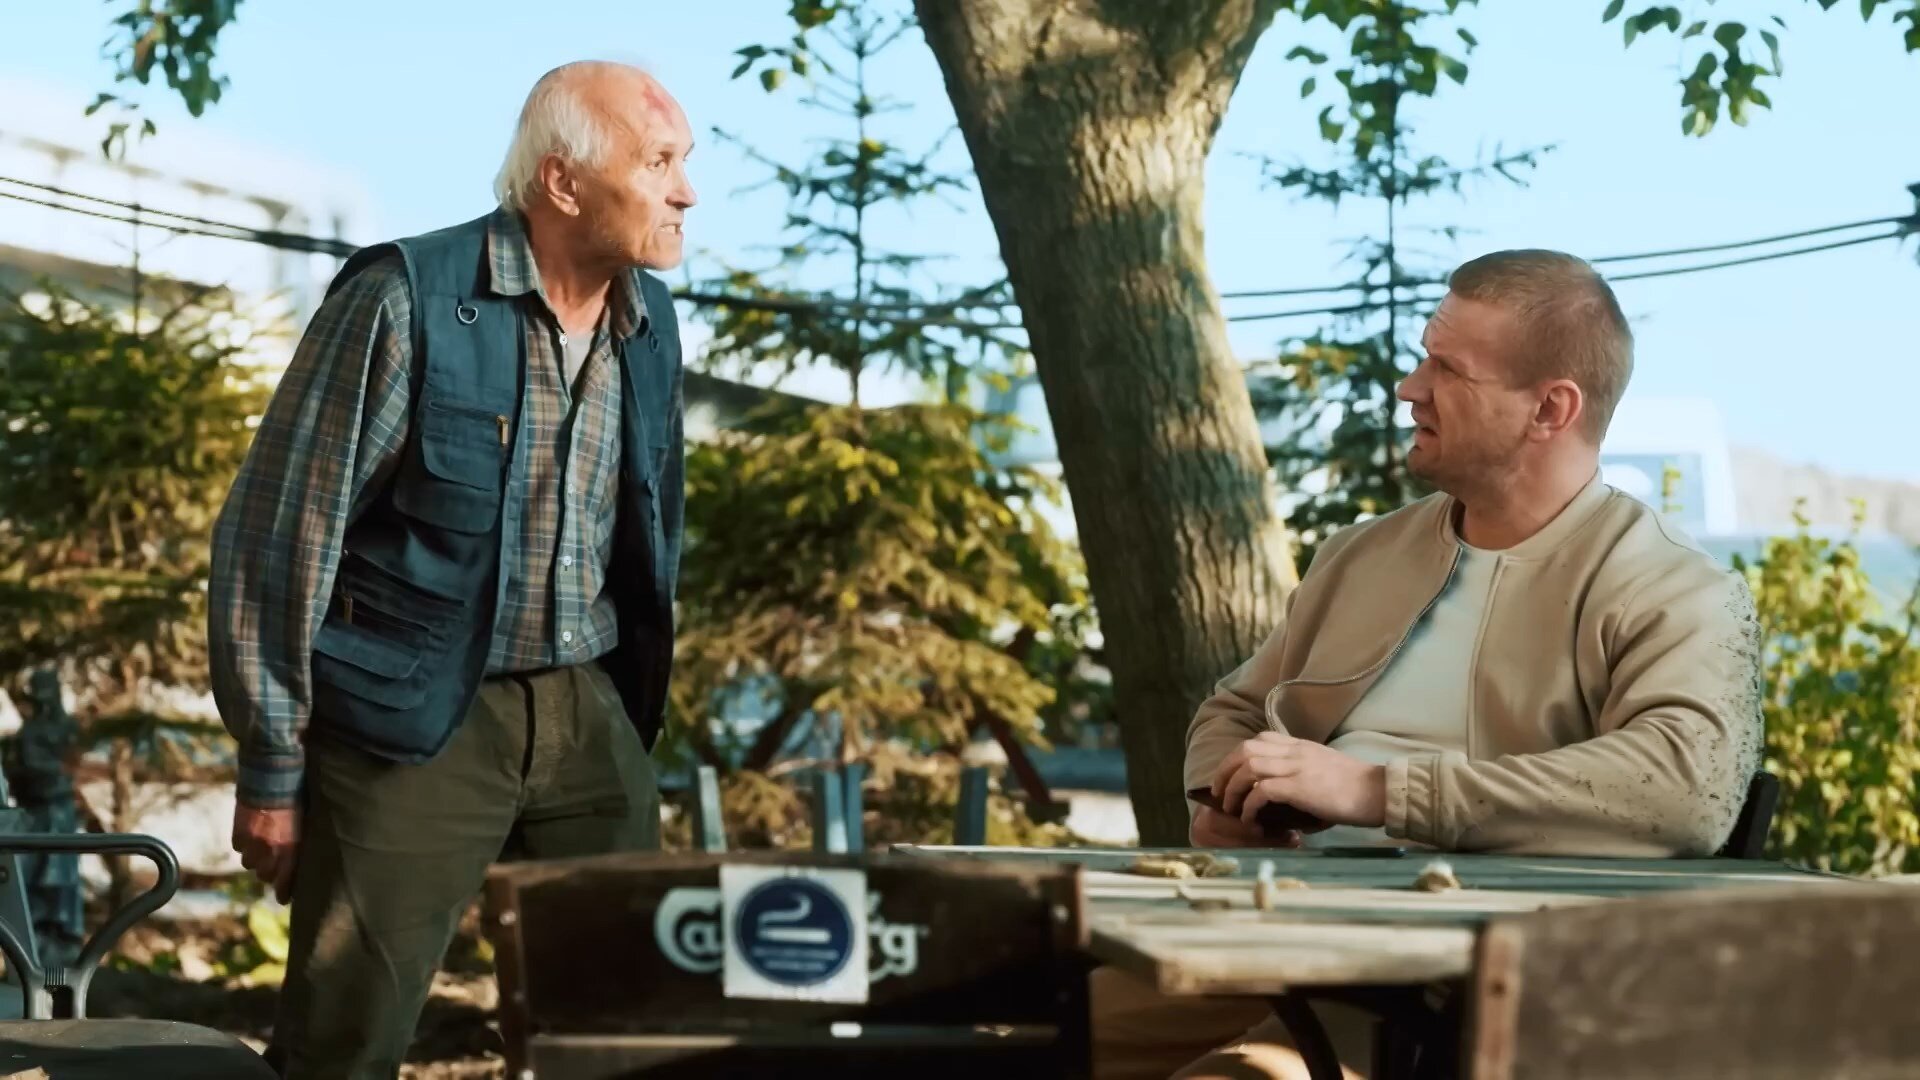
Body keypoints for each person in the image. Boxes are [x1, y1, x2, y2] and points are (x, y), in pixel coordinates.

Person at [1093, 249, 1765, 1080]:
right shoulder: (1361, 556)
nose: (1410, 388)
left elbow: (1687, 790)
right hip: (1278, 930)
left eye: (1447, 369)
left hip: (1474, 993)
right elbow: (1235, 709)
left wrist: (1380, 792)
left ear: (1550, 409)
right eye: (1423, 359)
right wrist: (1228, 795)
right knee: (1005, 1047)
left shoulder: (1676, 588)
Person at [207, 60, 697, 1078]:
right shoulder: (405, 299)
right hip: (410, 712)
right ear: (563, 181)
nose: (685, 192)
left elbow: (653, 532)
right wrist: (273, 766)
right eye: (658, 162)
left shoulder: (650, 326)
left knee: (623, 1033)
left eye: (683, 162)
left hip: (585, 704)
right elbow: (280, 533)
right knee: (344, 1042)